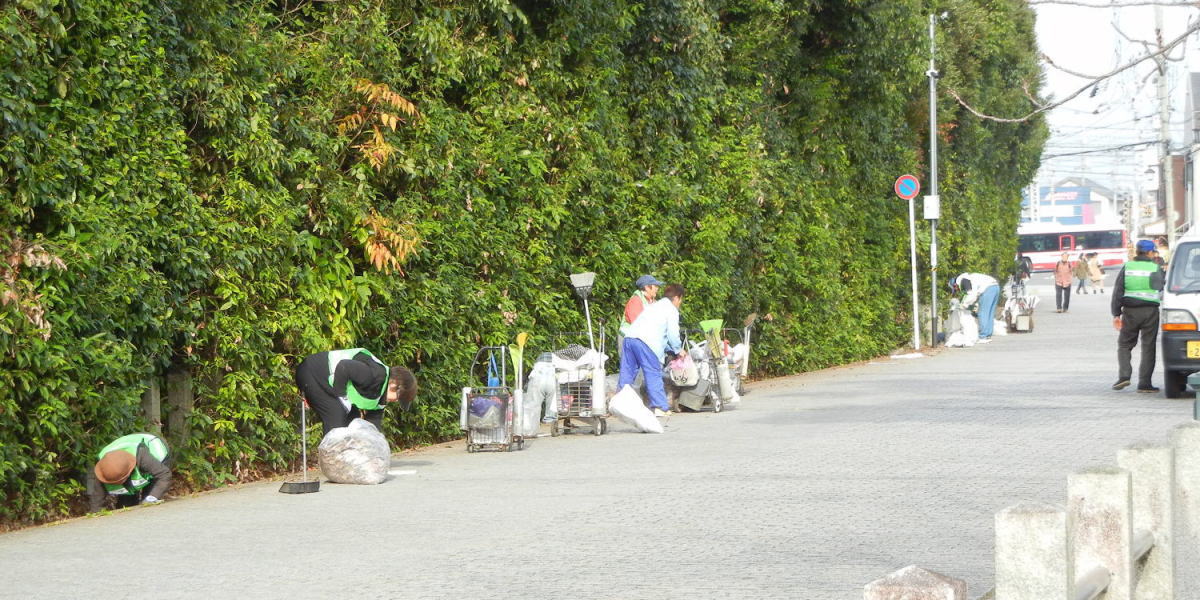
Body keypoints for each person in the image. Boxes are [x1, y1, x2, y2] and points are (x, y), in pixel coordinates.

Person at [294, 348, 417, 436]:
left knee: (353, 421)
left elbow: (373, 427)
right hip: (312, 373)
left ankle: (350, 460)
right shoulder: (374, 375)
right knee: (337, 416)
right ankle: (333, 461)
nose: (395, 401)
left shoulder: (380, 398)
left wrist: (376, 447)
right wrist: (342, 397)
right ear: (394, 384)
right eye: (398, 398)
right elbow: (344, 367)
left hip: (329, 384)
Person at [618, 283, 685, 417]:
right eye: (681, 300)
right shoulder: (671, 310)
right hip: (647, 343)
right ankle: (659, 407)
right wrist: (678, 350)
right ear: (677, 298)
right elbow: (672, 334)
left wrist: (669, 348)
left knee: (627, 373)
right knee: (653, 373)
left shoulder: (654, 306)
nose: (680, 303)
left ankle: (619, 404)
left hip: (630, 338)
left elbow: (658, 332)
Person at [1111, 239, 1166, 393]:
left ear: (1137, 251)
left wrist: (1116, 313)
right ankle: (1144, 384)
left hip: (1130, 312)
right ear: (1150, 252)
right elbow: (1160, 287)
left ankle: (1124, 376)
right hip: (1150, 312)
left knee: (1124, 344)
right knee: (1148, 346)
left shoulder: (1128, 267)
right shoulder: (1155, 267)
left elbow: (1118, 291)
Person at [87, 433, 171, 512]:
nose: (115, 484)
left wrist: (151, 498)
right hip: (125, 452)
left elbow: (164, 475)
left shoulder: (143, 457)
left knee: (148, 502)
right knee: (125, 505)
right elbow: (97, 496)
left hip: (153, 447)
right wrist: (96, 513)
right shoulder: (103, 468)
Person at [949, 272, 1001, 343]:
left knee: (983, 313)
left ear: (955, 285)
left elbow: (971, 294)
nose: (957, 290)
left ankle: (983, 337)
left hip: (988, 289)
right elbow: (974, 294)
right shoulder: (968, 278)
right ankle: (988, 335)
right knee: (989, 313)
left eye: (955, 289)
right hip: (995, 287)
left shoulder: (964, 280)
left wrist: (963, 305)